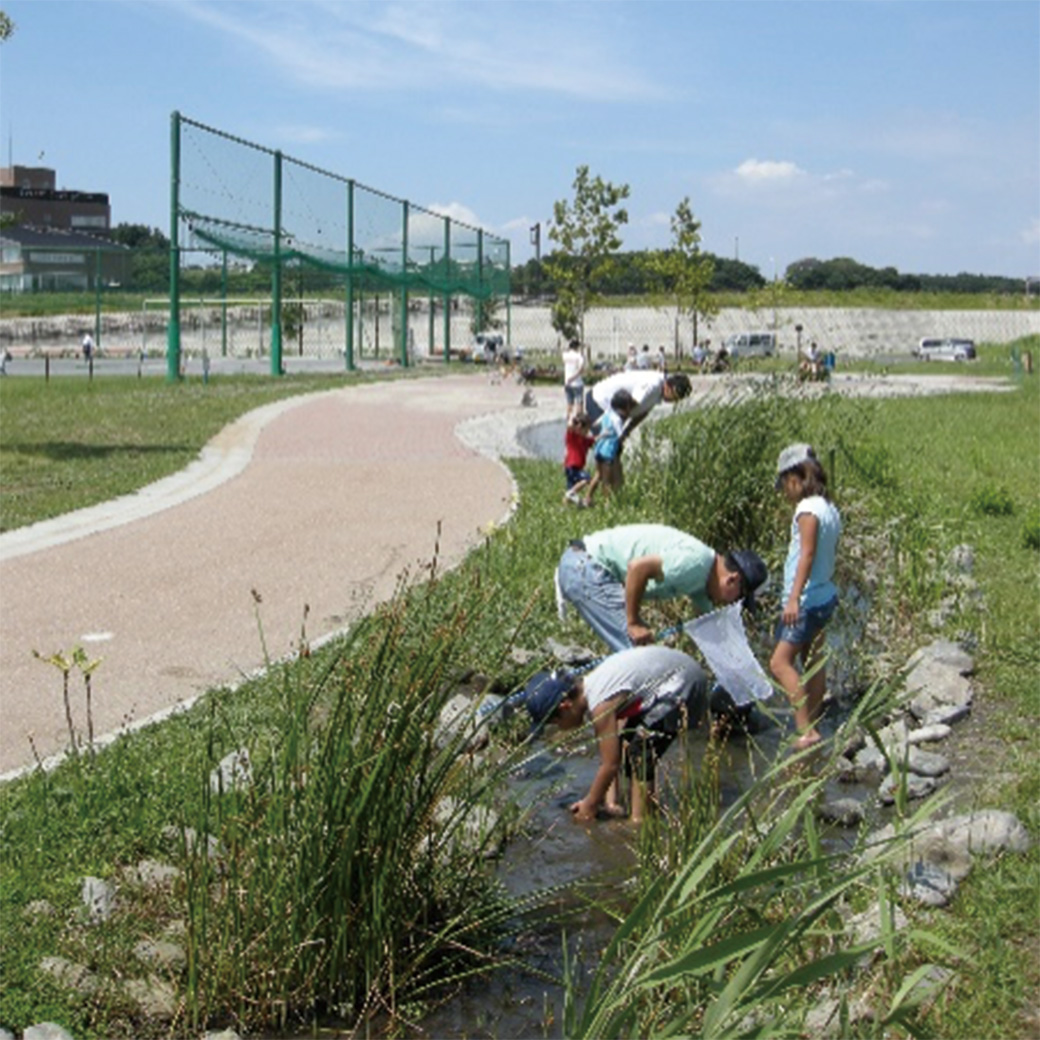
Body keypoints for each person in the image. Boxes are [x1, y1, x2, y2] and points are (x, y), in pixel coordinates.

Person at [524, 645, 710, 822]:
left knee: (640, 752)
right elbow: (614, 751)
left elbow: (610, 765)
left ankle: (639, 822)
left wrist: (589, 805)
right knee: (632, 749)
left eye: (555, 723)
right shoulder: (594, 687)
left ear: (565, 706)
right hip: (675, 677)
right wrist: (609, 804)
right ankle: (643, 809)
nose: (560, 728)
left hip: (684, 683)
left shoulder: (600, 702)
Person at [555, 523, 768, 652]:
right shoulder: (696, 563)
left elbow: (709, 624)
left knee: (640, 655)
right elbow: (637, 568)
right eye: (737, 598)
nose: (730, 603)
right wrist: (633, 622)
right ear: (732, 580)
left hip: (584, 566)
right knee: (637, 655)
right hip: (587, 568)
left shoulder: (703, 581)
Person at [769, 444, 842, 749]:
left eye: (784, 483)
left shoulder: (807, 509)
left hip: (808, 599)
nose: (784, 492)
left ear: (796, 477)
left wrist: (793, 598)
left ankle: (805, 731)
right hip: (825, 595)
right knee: (813, 660)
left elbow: (807, 554)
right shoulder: (829, 507)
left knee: (779, 663)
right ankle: (813, 721)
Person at [584, 369, 692, 487]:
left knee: (614, 451)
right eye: (673, 398)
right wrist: (619, 431)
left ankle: (616, 490)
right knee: (609, 451)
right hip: (600, 401)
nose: (671, 402)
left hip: (616, 410)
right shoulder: (652, 385)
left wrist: (627, 431)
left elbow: (643, 412)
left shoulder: (659, 391)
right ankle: (608, 493)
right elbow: (628, 405)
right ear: (669, 387)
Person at [582, 390, 634, 507]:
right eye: (629, 407)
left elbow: (596, 424)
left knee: (598, 475)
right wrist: (625, 437)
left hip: (599, 449)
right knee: (607, 479)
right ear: (624, 408)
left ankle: (588, 497)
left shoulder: (607, 413)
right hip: (608, 452)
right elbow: (620, 434)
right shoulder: (617, 420)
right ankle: (607, 504)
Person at [563, 411, 596, 505]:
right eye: (586, 430)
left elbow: (595, 440)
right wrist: (574, 417)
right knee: (586, 479)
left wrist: (605, 435)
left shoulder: (586, 440)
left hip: (576, 467)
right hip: (572, 465)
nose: (587, 432)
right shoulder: (572, 436)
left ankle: (565, 506)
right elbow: (570, 425)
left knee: (570, 489)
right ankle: (571, 494)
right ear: (579, 427)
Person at [562, 338, 586, 421]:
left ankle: (569, 419)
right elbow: (581, 370)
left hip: (567, 382)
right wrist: (574, 377)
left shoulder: (565, 355)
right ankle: (579, 420)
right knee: (579, 402)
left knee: (569, 402)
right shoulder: (579, 356)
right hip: (577, 382)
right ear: (577, 347)